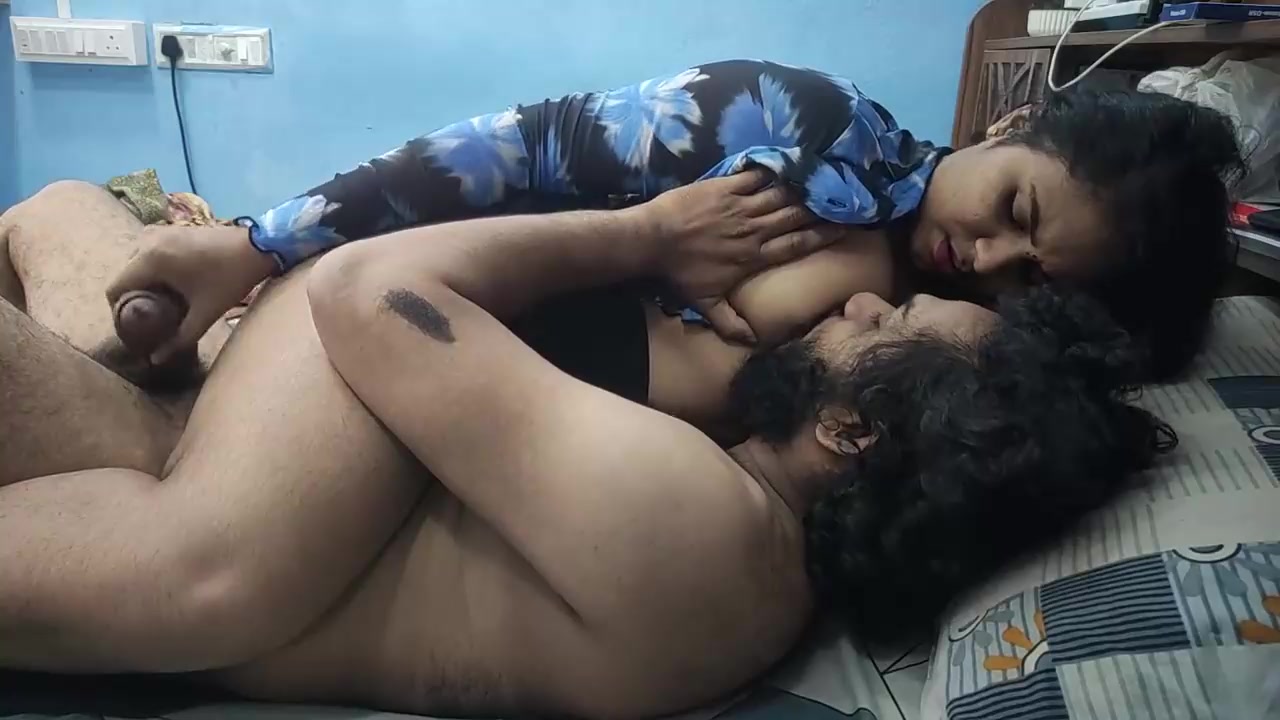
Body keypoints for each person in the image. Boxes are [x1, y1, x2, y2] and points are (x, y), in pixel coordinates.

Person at [0, 175, 1169, 719]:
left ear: (849, 431)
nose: (862, 303)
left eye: (885, 326)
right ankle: (61, 215)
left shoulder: (698, 525)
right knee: (121, 355)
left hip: (264, 468)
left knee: (189, 538)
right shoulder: (748, 537)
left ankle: (57, 214)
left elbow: (363, 293)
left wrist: (637, 238)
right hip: (276, 442)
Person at [110, 59, 1243, 382]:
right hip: (395, 286)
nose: (985, 258)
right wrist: (263, 240)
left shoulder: (924, 338)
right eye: (1013, 207)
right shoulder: (806, 120)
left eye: (1030, 278)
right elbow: (521, 144)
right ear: (1011, 125)